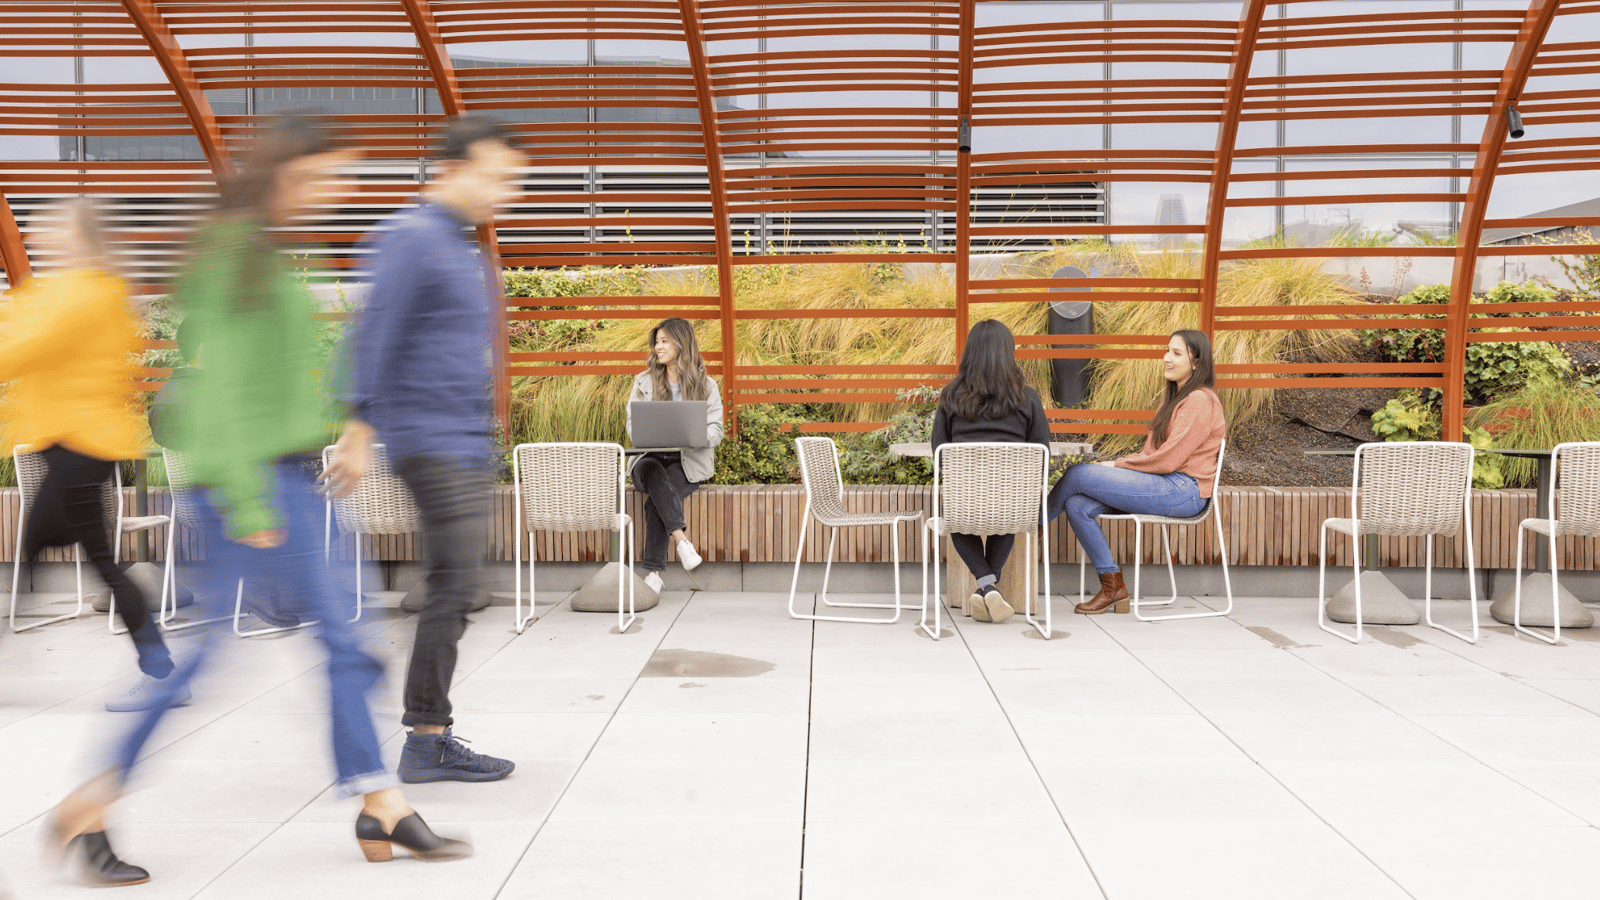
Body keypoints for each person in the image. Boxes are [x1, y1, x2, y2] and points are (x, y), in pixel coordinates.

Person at [46, 114, 470, 889]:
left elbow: (271, 381)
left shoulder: (263, 250)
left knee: (342, 638)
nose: (339, 193)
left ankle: (378, 799)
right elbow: (221, 394)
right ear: (289, 174)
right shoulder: (237, 254)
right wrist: (249, 501)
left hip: (287, 476)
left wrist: (340, 432)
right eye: (329, 176)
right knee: (245, 651)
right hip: (256, 486)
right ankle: (92, 802)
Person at [336, 116, 521, 785]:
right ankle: (426, 735)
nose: (505, 192)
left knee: (456, 586)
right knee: (456, 586)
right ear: (452, 169)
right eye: (496, 176)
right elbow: (371, 332)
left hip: (461, 442)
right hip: (431, 442)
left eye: (514, 182)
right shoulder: (413, 238)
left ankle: (427, 731)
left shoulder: (461, 248)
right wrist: (358, 429)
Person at [0, 198, 179, 700]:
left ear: (78, 236)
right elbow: (23, 328)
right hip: (73, 446)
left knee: (44, 548)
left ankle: (161, 669)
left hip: (81, 446)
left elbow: (27, 346)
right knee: (90, 557)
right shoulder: (72, 289)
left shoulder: (88, 292)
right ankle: (159, 666)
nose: (39, 235)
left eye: (51, 227)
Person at [1048, 328, 1225, 614]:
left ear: (1196, 362)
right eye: (1167, 351)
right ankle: (1113, 587)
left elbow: (1168, 460)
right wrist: (1124, 465)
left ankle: (1034, 525)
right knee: (1076, 503)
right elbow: (1151, 455)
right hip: (1164, 484)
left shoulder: (1199, 401)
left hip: (1185, 490)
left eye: (1176, 353)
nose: (1167, 358)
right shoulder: (1175, 400)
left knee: (1079, 475)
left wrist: (1116, 464)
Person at [930, 319, 1051, 624]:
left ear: (969, 354)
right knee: (1009, 517)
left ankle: (985, 585)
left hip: (963, 503)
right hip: (1013, 505)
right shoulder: (1028, 398)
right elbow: (1041, 452)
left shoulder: (951, 397)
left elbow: (939, 451)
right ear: (1008, 353)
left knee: (954, 520)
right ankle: (989, 587)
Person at [625, 317, 724, 595]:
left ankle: (654, 574)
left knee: (658, 498)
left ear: (682, 343)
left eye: (665, 341)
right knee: (654, 472)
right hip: (649, 458)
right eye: (656, 341)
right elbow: (633, 426)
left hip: (686, 461)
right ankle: (681, 540)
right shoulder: (643, 382)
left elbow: (716, 430)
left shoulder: (706, 386)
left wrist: (694, 435)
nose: (658, 347)